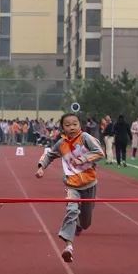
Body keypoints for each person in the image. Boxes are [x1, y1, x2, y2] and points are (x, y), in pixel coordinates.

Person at [36, 113, 105, 264]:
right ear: (63, 128)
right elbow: (49, 155)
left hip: (90, 183)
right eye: (68, 125)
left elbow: (100, 153)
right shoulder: (61, 144)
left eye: (75, 124)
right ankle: (68, 247)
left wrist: (83, 159)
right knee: (71, 210)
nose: (72, 127)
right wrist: (41, 167)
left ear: (80, 125)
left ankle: (79, 225)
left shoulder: (85, 138)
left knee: (86, 222)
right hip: (71, 185)